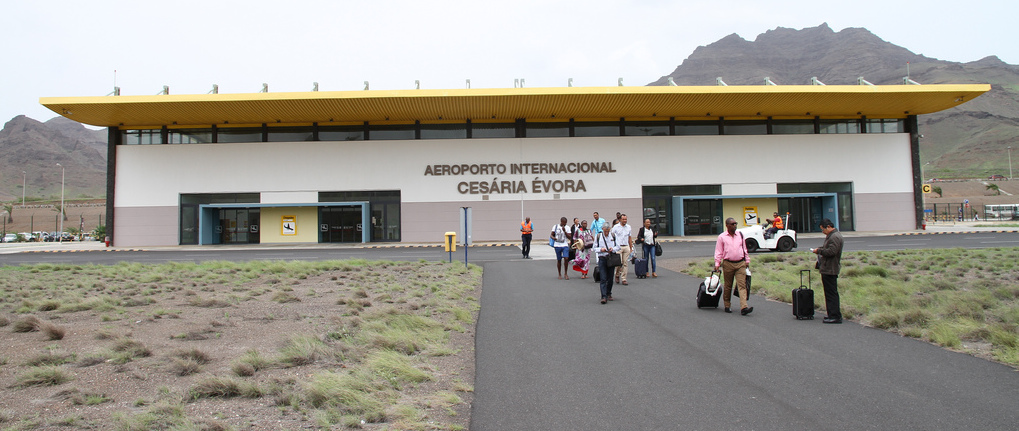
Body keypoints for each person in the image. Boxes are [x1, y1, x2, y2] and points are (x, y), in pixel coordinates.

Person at [714, 217, 753, 315]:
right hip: (728, 263)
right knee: (728, 286)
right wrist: (717, 264)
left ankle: (744, 307)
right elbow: (718, 251)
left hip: (740, 263)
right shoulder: (722, 237)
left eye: (736, 223)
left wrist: (747, 260)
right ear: (727, 225)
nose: (735, 225)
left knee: (742, 285)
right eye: (733, 224)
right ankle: (727, 305)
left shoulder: (740, 235)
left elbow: (744, 249)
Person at [813, 218, 844, 324]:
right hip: (828, 267)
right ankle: (832, 314)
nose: (823, 232)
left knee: (831, 293)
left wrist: (819, 251)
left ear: (829, 227)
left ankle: (835, 316)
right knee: (830, 293)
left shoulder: (834, 236)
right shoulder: (833, 236)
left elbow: (832, 251)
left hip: (830, 268)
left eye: (823, 229)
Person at [594, 222, 619, 304]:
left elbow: (618, 246)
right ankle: (603, 296)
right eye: (605, 231)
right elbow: (594, 248)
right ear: (602, 229)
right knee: (603, 278)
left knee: (610, 278)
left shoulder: (613, 236)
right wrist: (601, 249)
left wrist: (613, 249)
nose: (607, 233)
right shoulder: (598, 236)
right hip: (602, 258)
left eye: (608, 231)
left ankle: (609, 293)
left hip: (610, 258)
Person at [611, 213, 633, 285]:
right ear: (620, 219)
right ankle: (617, 275)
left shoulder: (628, 227)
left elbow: (629, 237)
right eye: (623, 219)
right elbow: (612, 236)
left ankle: (624, 278)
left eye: (626, 219)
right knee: (619, 263)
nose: (624, 220)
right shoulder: (616, 227)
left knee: (625, 263)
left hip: (626, 246)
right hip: (618, 247)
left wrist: (630, 247)